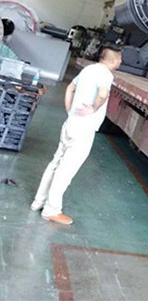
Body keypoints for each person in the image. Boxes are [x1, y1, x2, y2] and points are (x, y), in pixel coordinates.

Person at [30, 46, 122, 225]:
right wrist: (94, 108)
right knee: (66, 170)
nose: (121, 62)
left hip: (71, 123)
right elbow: (103, 94)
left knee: (56, 163)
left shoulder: (88, 69)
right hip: (84, 128)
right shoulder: (105, 74)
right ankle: (51, 210)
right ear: (112, 60)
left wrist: (69, 109)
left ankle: (38, 202)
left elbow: (70, 88)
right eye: (119, 59)